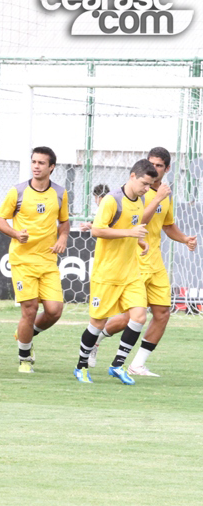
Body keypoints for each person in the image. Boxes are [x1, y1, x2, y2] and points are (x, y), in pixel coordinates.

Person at [93, 148, 197, 376]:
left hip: (155, 261)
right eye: (151, 164)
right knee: (130, 317)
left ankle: (137, 364)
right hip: (135, 260)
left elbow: (167, 225)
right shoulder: (139, 190)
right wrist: (157, 197)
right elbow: (137, 222)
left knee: (162, 313)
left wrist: (185, 239)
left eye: (159, 166)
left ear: (167, 169)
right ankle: (95, 340)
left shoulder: (166, 193)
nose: (154, 169)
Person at [73, 159, 156, 384]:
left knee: (139, 317)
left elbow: (128, 228)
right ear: (132, 176)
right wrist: (130, 233)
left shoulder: (140, 200)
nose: (146, 188)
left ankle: (117, 365)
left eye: (150, 185)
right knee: (98, 323)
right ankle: (80, 366)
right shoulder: (112, 200)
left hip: (130, 273)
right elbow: (97, 231)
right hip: (107, 274)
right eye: (144, 183)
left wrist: (139, 241)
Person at [0, 146, 69, 373]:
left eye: (41, 163)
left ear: (51, 167)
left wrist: (63, 237)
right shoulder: (17, 192)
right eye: (34, 162)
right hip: (23, 260)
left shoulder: (60, 193)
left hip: (47, 261)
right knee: (29, 309)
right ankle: (24, 358)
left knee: (54, 311)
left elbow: (64, 222)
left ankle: (26, 334)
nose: (36, 166)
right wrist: (16, 234)